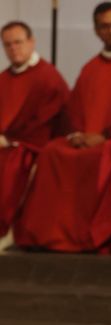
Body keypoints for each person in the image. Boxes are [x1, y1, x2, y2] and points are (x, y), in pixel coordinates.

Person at [13, 1, 111, 252]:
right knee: (52, 153)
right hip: (89, 138)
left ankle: (93, 235)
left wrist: (104, 135)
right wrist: (77, 134)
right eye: (104, 26)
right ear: (96, 30)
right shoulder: (91, 67)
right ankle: (49, 234)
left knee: (104, 156)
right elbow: (73, 106)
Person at [0, 22, 69, 240]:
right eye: (7, 44)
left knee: (11, 163)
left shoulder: (48, 77)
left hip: (32, 147)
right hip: (7, 143)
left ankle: (7, 232)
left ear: (31, 42)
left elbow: (46, 123)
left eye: (18, 42)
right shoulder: (3, 79)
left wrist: (9, 141)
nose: (13, 49)